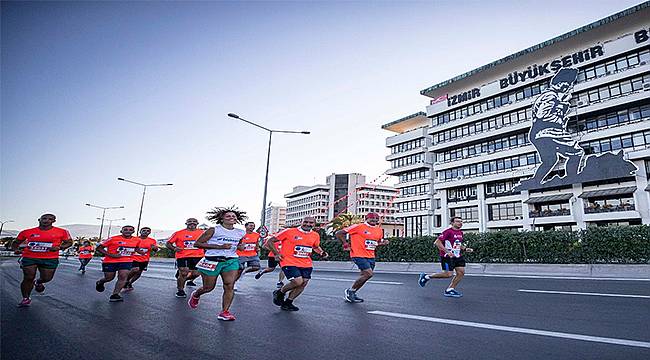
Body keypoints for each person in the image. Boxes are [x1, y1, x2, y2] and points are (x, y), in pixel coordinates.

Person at [188, 208, 246, 321]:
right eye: (228, 216)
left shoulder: (240, 232)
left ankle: (224, 312)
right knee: (208, 287)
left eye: (233, 216)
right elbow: (198, 244)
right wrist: (219, 247)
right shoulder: (213, 230)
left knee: (229, 285)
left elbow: (239, 244)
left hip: (231, 260)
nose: (231, 218)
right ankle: (196, 294)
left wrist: (240, 247)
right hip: (212, 260)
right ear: (222, 218)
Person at [269, 216, 328, 311]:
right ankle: (280, 292)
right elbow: (270, 241)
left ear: (314, 224)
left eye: (311, 223)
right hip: (289, 261)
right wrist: (276, 253)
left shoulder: (315, 235)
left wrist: (322, 252)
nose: (308, 224)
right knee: (297, 281)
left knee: (303, 283)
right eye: (306, 222)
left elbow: (315, 247)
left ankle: (288, 303)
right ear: (301, 222)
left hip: (306, 263)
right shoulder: (289, 231)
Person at [13, 214, 73, 307]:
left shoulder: (62, 232)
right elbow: (16, 242)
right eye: (44, 218)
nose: (47, 220)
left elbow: (69, 242)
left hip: (50, 258)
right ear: (39, 220)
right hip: (29, 257)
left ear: (54, 221)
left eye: (50, 219)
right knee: (28, 277)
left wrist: (59, 247)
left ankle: (39, 282)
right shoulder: (27, 232)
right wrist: (15, 249)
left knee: (47, 278)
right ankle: (25, 298)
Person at [335, 212, 388, 303]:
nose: (374, 220)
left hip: (371, 255)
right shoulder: (358, 226)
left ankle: (352, 292)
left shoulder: (379, 230)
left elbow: (376, 242)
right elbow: (339, 233)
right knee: (368, 274)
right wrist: (345, 243)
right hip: (358, 254)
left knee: (365, 276)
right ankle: (350, 292)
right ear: (366, 219)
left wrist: (383, 243)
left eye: (376, 219)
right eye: (372, 218)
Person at [418, 217, 473, 298]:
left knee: (461, 272)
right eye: (457, 221)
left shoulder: (460, 232)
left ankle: (450, 289)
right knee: (448, 274)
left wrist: (465, 249)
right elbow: (437, 242)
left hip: (457, 256)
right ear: (452, 223)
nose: (460, 223)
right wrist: (448, 252)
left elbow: (457, 244)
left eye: (461, 221)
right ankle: (426, 277)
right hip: (447, 257)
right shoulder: (448, 232)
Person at [95, 225, 146, 302]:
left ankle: (115, 295)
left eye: (130, 230)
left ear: (133, 232)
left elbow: (136, 248)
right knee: (109, 278)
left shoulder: (137, 240)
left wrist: (140, 252)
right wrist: (112, 255)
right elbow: (99, 248)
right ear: (121, 231)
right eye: (125, 229)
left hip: (126, 260)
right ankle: (100, 282)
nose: (128, 231)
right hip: (110, 261)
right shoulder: (113, 239)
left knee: (123, 276)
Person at [166, 218, 205, 298]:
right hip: (183, 255)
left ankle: (181, 279)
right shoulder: (178, 233)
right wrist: (174, 248)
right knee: (184, 273)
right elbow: (168, 243)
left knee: (196, 274)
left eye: (194, 221)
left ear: (197, 223)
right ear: (186, 223)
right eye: (190, 221)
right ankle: (180, 290)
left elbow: (208, 243)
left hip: (198, 256)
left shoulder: (202, 233)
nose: (192, 223)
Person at [124, 227, 159, 291]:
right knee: (135, 269)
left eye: (147, 231)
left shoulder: (152, 240)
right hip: (134, 257)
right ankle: (126, 280)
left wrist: (155, 248)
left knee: (139, 273)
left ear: (149, 233)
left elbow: (156, 249)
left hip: (144, 259)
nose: (145, 232)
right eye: (144, 230)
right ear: (140, 231)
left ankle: (129, 283)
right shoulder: (134, 239)